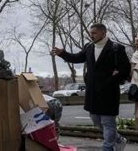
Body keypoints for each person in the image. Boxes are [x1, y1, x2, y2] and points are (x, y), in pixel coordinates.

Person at [51, 23, 130, 151]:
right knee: (96, 120)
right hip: (93, 92)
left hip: (109, 92)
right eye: (90, 33)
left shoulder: (116, 48)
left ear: (103, 33)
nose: (91, 35)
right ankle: (119, 139)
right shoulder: (89, 47)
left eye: (94, 33)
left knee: (108, 123)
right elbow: (77, 58)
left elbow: (125, 69)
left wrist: (112, 78)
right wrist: (63, 53)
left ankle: (108, 148)